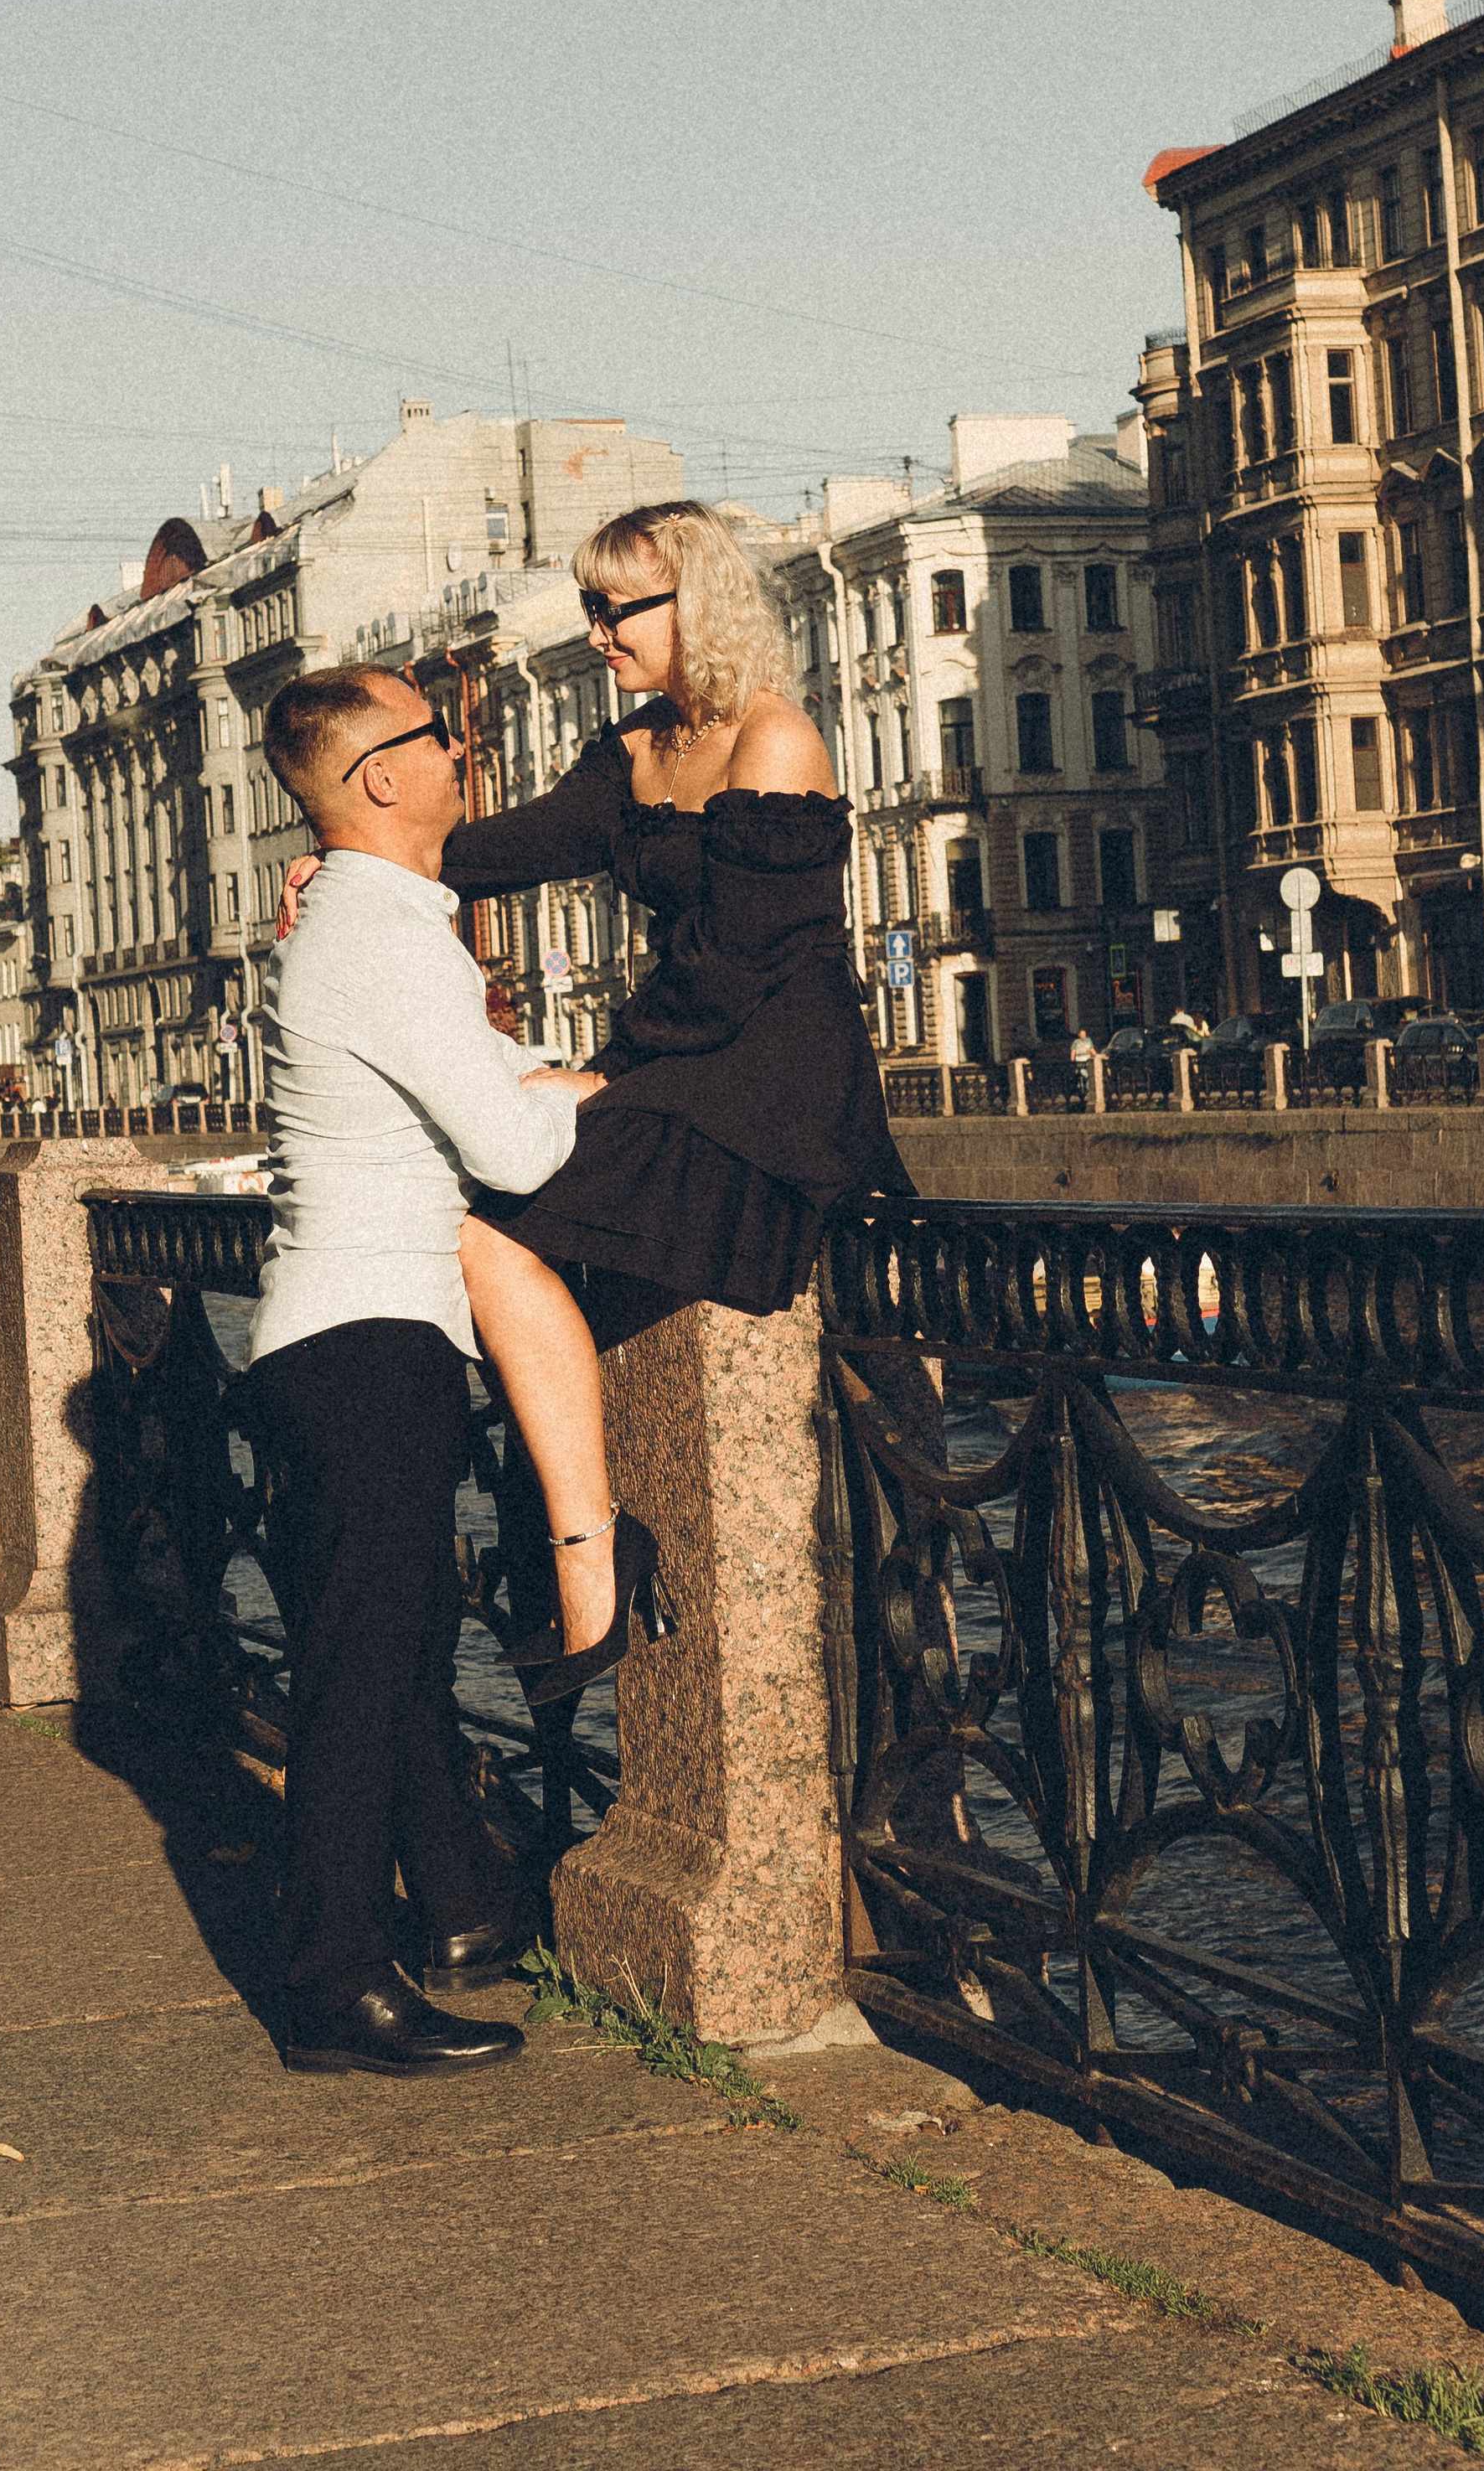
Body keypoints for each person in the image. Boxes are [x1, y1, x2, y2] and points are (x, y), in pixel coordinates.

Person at [443, 500, 912, 1691]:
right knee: (486, 1213)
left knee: (498, 1220)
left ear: (692, 604)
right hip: (690, 1075)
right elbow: (511, 846)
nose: (598, 636)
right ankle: (589, 1550)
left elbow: (743, 964)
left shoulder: (775, 741)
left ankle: (593, 1562)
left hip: (779, 1091)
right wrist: (359, 846)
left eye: (617, 610)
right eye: (591, 611)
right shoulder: (640, 752)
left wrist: (605, 1076)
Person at [244, 661, 604, 2079]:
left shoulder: (363, 923)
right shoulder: (384, 936)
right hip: (372, 1343)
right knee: (360, 1674)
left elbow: (468, 1076)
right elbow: (509, 1148)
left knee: (387, 1673)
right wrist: (586, 1095)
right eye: (439, 735)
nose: (465, 751)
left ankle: (459, 1909)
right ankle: (333, 1987)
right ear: (380, 776)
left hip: (332, 1339)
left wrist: (548, 1072)